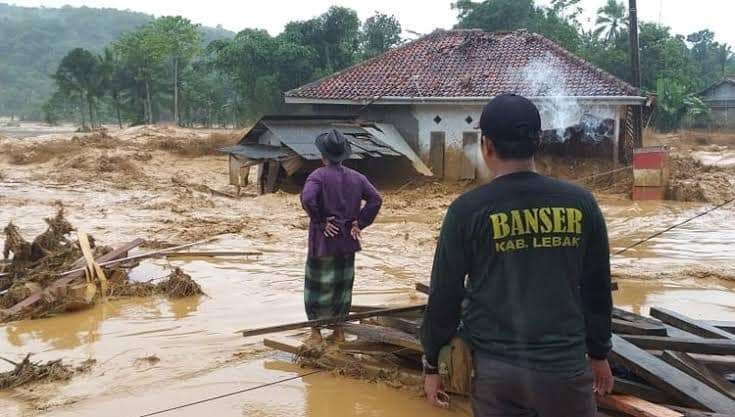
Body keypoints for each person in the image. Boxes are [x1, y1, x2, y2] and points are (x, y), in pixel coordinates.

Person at [420, 94, 614, 416]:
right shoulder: (581, 203)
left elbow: (444, 296)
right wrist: (598, 353)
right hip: (566, 370)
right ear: (537, 142)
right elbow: (597, 288)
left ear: (486, 145)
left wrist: (431, 363)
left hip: (497, 376)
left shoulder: (467, 211)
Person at [300, 129, 383, 344]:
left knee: (316, 286)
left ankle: (316, 332)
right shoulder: (357, 178)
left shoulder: (317, 176)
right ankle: (338, 331)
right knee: (342, 287)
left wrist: (320, 222)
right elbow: (376, 199)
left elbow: (308, 199)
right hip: (348, 240)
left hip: (323, 241)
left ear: (323, 156)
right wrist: (360, 222)